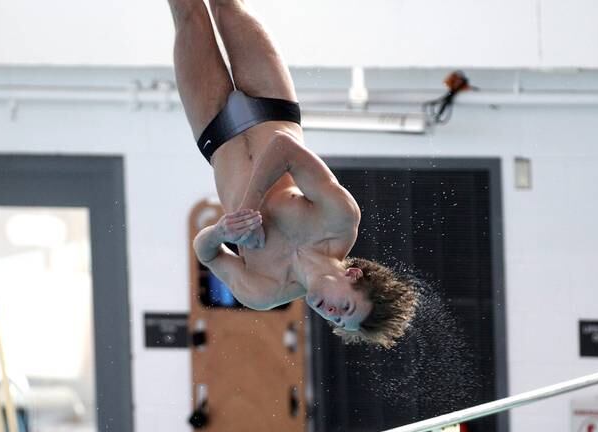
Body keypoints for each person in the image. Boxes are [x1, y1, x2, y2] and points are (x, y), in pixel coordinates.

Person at [168, 0, 417, 347]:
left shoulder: (263, 291)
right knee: (225, 6)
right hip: (271, 103)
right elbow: (285, 148)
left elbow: (205, 252)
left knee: (187, 12)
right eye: (344, 306)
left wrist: (222, 230)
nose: (330, 312)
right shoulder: (340, 220)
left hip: (214, 133)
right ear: (353, 275)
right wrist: (248, 210)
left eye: (338, 319)